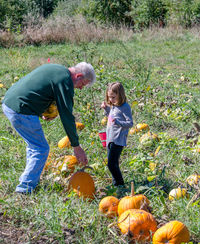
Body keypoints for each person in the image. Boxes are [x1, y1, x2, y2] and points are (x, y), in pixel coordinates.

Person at [2, 62, 96, 194]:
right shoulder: (65, 81)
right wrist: (76, 146)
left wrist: (41, 111)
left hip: (10, 102)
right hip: (21, 109)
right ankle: (24, 189)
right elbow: (67, 116)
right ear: (79, 76)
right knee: (41, 149)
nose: (80, 88)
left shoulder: (57, 69)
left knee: (34, 146)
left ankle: (29, 180)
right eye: (83, 84)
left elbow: (37, 89)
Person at [101, 82, 133, 195]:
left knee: (111, 163)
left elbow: (130, 123)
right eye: (109, 97)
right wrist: (106, 109)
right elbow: (112, 116)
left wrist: (118, 122)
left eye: (113, 97)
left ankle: (120, 184)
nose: (111, 99)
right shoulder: (113, 106)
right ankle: (116, 184)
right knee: (113, 163)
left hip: (118, 139)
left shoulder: (125, 107)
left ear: (120, 95)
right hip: (110, 137)